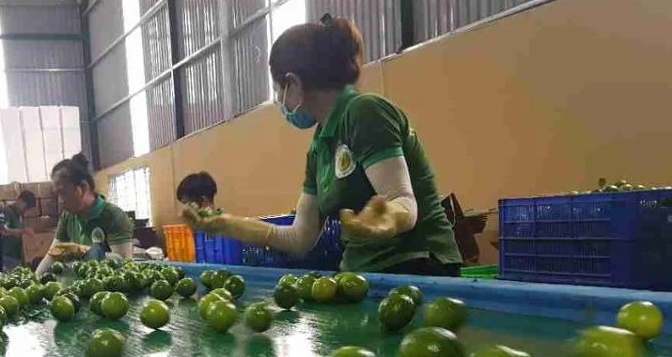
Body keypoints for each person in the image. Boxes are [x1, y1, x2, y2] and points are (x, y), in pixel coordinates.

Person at [181, 16, 462, 276]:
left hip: (417, 267)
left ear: (293, 83)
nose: (279, 100)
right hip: (363, 273)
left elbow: (403, 201)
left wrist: (389, 218)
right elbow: (299, 238)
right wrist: (224, 224)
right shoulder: (320, 146)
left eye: (277, 90)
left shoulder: (364, 112)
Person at [35, 154, 134, 276]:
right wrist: (35, 279)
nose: (60, 201)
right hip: (81, 283)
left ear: (82, 187)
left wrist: (84, 252)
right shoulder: (68, 216)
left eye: (62, 193)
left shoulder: (113, 216)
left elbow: (124, 263)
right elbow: (53, 255)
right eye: (57, 195)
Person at [0, 190, 38, 271]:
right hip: (5, 256)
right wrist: (22, 231)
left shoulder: (19, 215)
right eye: (25, 207)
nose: (25, 211)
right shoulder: (6, 212)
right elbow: (2, 231)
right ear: (20, 201)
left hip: (15, 256)